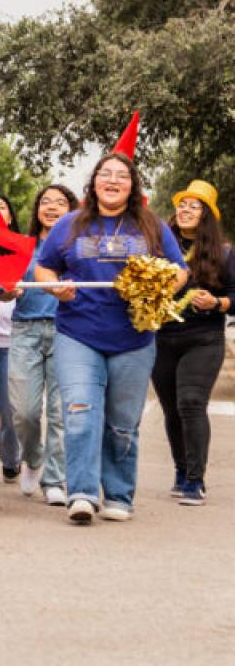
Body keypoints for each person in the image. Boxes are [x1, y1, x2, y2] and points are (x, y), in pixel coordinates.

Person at [34, 152, 187, 525]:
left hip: (133, 338)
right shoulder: (70, 224)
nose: (113, 180)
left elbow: (179, 273)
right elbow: (44, 267)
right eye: (106, 174)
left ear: (132, 185)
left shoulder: (150, 226)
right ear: (95, 182)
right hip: (77, 334)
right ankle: (82, 494)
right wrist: (56, 290)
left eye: (122, 175)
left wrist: (156, 288)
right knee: (81, 413)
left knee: (122, 423)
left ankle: (118, 493)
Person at [151, 180, 235, 506]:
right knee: (171, 409)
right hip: (162, 336)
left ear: (206, 216)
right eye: (182, 204)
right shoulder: (158, 248)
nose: (185, 210)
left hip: (203, 339)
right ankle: (181, 470)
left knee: (190, 403)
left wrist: (217, 303)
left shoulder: (224, 253)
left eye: (194, 206)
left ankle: (195, 481)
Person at [9, 184, 78, 506]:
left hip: (69, 331)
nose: (51, 207)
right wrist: (8, 292)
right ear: (37, 210)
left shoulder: (79, 248)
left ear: (72, 209)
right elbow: (2, 291)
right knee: (24, 411)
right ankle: (33, 458)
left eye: (60, 202)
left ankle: (55, 479)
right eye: (45, 201)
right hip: (25, 330)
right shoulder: (20, 247)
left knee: (60, 412)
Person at [0, 192, 23, 488]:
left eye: (3, 206)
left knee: (9, 408)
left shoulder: (22, 249)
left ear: (11, 215)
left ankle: (12, 459)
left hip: (11, 341)